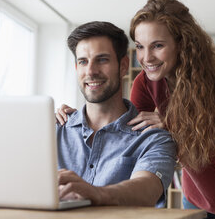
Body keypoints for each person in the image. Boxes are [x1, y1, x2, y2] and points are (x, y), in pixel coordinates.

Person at [57, 0, 215, 218]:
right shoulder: (144, 83)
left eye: (158, 45)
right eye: (140, 47)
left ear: (182, 43)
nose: (146, 58)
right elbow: (132, 135)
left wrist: (174, 126)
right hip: (199, 190)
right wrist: (84, 119)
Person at [56, 21, 176, 207]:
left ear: (123, 66)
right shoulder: (53, 130)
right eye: (83, 61)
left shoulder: (153, 137)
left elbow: (147, 190)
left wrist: (94, 193)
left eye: (102, 59)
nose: (91, 71)